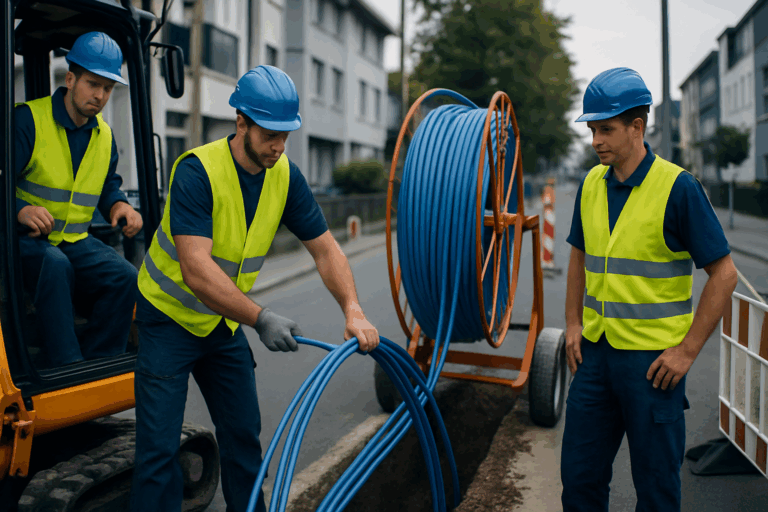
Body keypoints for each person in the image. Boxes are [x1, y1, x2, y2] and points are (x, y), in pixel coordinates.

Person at [130, 65, 380, 512]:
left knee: (244, 440)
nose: (278, 146)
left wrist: (353, 308)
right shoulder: (196, 172)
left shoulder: (284, 175)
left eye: (286, 135)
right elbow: (196, 270)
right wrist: (260, 317)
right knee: (158, 454)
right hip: (167, 320)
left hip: (221, 325)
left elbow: (326, 251)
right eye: (269, 134)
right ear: (240, 122)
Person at [560, 67, 738, 512]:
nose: (596, 140)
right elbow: (579, 257)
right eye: (592, 129)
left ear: (637, 127)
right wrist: (571, 323)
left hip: (653, 366)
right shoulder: (590, 185)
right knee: (579, 482)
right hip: (595, 358)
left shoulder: (678, 189)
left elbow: (725, 274)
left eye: (606, 129)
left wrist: (687, 351)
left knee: (656, 491)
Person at [14, 31, 143, 368]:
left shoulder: (104, 137)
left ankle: (100, 363)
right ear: (70, 79)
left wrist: (119, 206)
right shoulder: (27, 121)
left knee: (125, 276)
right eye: (92, 84)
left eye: (108, 88)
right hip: (23, 240)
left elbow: (106, 185)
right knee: (55, 265)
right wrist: (20, 211)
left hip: (74, 241)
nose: (100, 95)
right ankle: (66, 364)